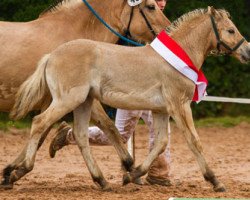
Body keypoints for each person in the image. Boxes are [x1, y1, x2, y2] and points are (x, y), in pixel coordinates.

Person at [49, 0, 171, 186]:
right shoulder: (130, 20)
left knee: (160, 126)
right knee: (120, 134)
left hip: (149, 85)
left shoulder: (157, 23)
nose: (162, 2)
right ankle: (69, 135)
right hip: (128, 84)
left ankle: (158, 174)